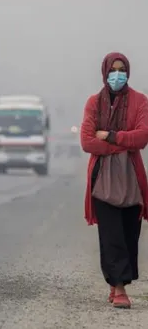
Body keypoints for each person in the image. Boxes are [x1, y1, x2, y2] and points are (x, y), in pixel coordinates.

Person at [80, 52, 148, 309]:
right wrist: (121, 144)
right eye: (113, 69)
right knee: (111, 236)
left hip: (131, 179)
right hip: (102, 180)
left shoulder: (141, 102)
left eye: (122, 69)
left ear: (128, 72)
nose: (117, 74)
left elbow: (142, 137)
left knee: (130, 234)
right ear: (105, 72)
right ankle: (119, 288)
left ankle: (116, 282)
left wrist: (109, 136)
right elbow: (87, 141)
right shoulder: (93, 103)